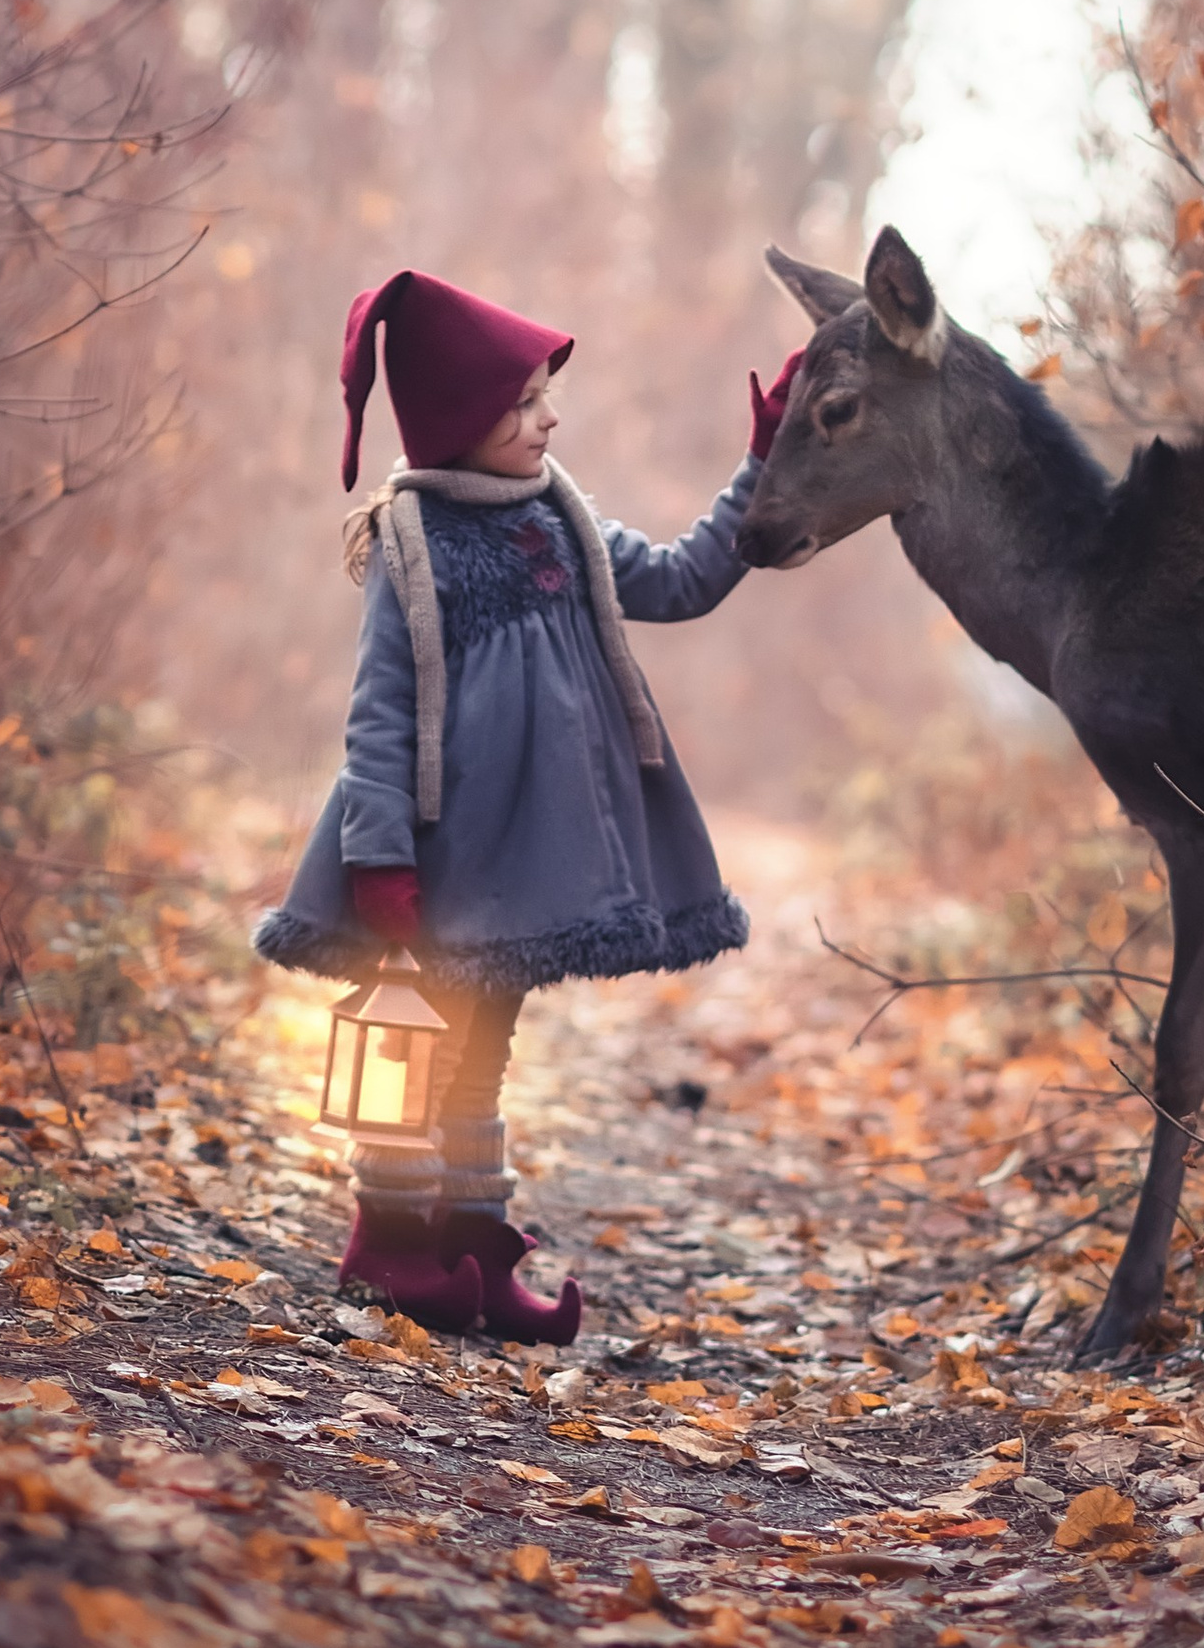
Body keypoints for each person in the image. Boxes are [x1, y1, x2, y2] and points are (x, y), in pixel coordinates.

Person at [256, 270, 802, 1344]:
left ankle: (469, 1247)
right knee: (420, 1042)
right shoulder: (415, 543)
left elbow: (686, 578)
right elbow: (379, 713)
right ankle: (395, 1245)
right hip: (441, 851)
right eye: (524, 402)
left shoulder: (561, 516)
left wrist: (763, 466)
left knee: (484, 1041)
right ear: (466, 420)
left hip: (532, 856)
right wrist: (378, 860)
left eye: (546, 395)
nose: (551, 417)